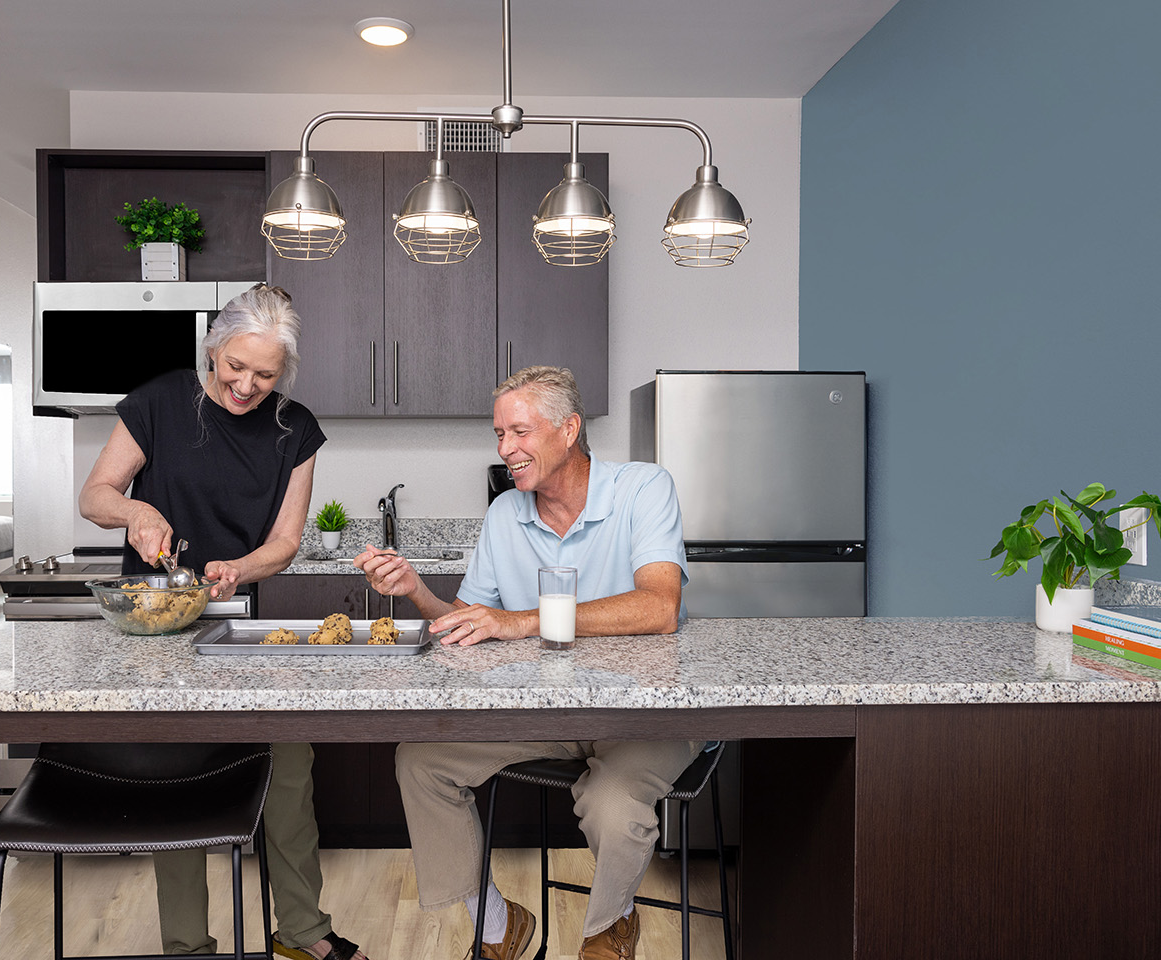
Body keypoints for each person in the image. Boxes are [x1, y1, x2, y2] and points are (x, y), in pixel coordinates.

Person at [353, 366, 701, 960]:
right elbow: (467, 621)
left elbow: (659, 606)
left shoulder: (644, 488)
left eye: (518, 431)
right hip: (550, 710)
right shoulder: (504, 515)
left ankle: (608, 925)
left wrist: (524, 619)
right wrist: (415, 589)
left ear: (568, 430)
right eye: (498, 435)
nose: (504, 450)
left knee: (614, 806)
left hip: (648, 712)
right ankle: (495, 925)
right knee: (421, 761)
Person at [79, 283, 367, 960]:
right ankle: (186, 945)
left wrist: (241, 566)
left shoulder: (295, 430)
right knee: (178, 784)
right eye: (234, 367)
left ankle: (302, 931)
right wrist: (136, 513)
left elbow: (286, 541)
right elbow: (96, 495)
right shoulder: (159, 402)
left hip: (239, 625)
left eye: (264, 375)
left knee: (289, 771)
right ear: (215, 347)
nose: (244, 385)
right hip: (158, 628)